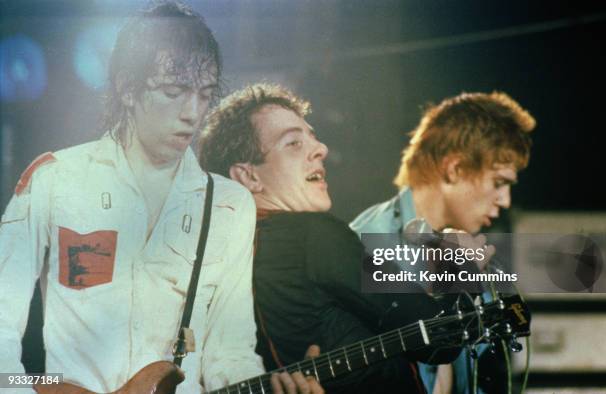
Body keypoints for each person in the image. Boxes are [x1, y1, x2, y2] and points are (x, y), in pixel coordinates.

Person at [0, 3, 320, 393]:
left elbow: (230, 354)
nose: (192, 113)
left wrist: (268, 387)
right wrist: (41, 387)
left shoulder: (228, 204)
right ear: (127, 87)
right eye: (173, 92)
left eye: (204, 95)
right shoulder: (55, 180)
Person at [199, 83, 460, 394]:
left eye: (313, 136)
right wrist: (459, 265)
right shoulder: (316, 234)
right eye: (294, 143)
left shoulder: (231, 254)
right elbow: (443, 338)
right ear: (248, 175)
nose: (321, 149)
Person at [350, 91, 536, 394]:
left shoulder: (464, 252)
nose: (505, 200)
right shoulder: (365, 245)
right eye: (499, 183)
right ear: (455, 169)